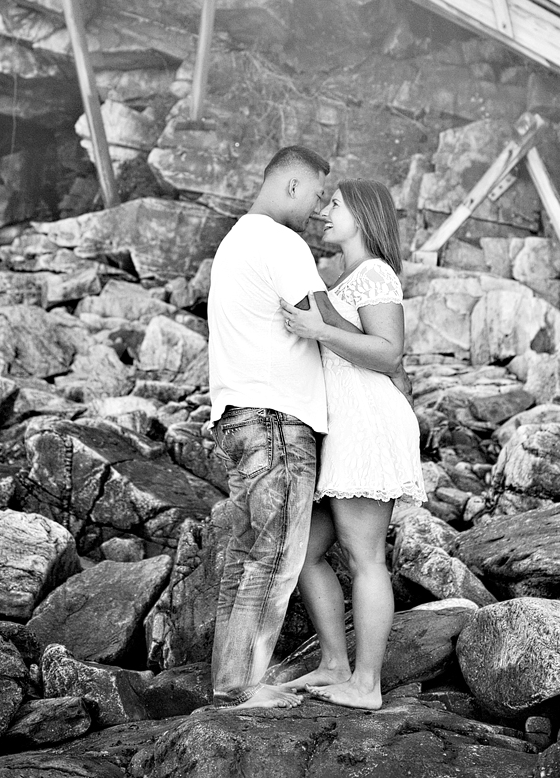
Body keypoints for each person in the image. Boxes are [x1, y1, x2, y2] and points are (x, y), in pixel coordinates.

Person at [279, 179, 425, 710]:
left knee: (366, 559)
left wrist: (320, 330)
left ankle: (367, 684)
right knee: (305, 553)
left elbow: (389, 353)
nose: (324, 212)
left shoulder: (376, 273)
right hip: (341, 425)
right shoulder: (346, 276)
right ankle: (335, 664)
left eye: (335, 205)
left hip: (367, 424)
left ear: (361, 215)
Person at [207, 143, 331, 709]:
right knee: (276, 556)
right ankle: (245, 687)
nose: (319, 210)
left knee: (244, 557)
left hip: (237, 419)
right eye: (317, 196)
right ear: (291, 186)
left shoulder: (234, 242)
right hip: (276, 421)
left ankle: (227, 682)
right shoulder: (282, 241)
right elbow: (324, 323)